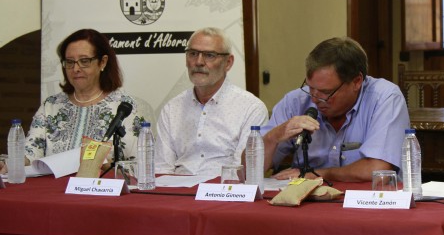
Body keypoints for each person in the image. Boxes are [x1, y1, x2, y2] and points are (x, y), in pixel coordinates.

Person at [0, 28, 145, 173]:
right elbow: (31, 151)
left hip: (100, 192)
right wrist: (9, 163)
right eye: (70, 62)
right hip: (53, 194)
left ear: (102, 62)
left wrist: (108, 167)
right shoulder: (51, 105)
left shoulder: (124, 107)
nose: (76, 69)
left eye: (84, 61)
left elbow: (140, 165)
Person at [261, 37, 409, 183]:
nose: (314, 99)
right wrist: (272, 137)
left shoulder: (385, 98)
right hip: (306, 196)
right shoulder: (295, 102)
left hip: (368, 196)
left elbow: (378, 171)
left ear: (357, 82)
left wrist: (318, 174)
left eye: (326, 92)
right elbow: (252, 169)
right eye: (310, 88)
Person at [154, 27, 268, 177]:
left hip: (224, 188)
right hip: (177, 188)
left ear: (228, 63)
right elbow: (161, 169)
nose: (199, 62)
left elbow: (242, 172)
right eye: (193, 54)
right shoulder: (172, 109)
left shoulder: (251, 108)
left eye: (209, 55)